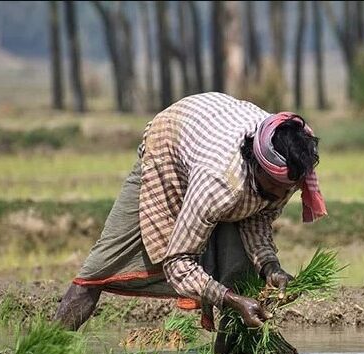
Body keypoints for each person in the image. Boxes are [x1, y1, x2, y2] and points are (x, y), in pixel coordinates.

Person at [54, 92, 326, 335]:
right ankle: (47, 348)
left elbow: (259, 215)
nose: (281, 196)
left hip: (210, 132)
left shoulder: (286, 169)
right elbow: (178, 262)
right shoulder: (219, 182)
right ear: (256, 166)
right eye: (275, 187)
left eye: (287, 189)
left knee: (241, 272)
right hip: (170, 145)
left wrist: (270, 266)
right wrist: (230, 299)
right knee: (100, 267)